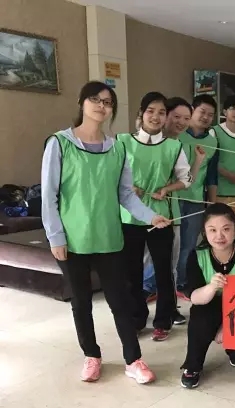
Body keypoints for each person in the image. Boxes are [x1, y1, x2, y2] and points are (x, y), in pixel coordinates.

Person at [41, 81, 171, 384]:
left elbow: (125, 194)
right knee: (81, 302)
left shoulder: (118, 148)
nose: (102, 106)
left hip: (109, 237)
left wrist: (151, 216)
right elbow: (49, 196)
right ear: (81, 102)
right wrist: (55, 237)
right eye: (95, 99)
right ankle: (92, 355)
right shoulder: (59, 143)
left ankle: (133, 360)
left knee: (120, 300)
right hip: (72, 240)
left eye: (108, 102)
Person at [119, 92, 193, 342]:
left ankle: (163, 320)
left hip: (161, 218)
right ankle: (137, 318)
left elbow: (186, 179)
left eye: (162, 112)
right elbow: (111, 175)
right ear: (141, 114)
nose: (156, 116)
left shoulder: (173, 147)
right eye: (151, 111)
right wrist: (127, 188)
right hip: (129, 217)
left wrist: (167, 189)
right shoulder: (122, 142)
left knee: (164, 271)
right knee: (132, 272)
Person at [180, 203, 235, 389]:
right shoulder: (197, 255)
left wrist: (226, 327)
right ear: (204, 232)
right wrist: (211, 287)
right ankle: (192, 366)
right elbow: (195, 297)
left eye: (226, 229)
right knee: (200, 318)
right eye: (212, 230)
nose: (219, 236)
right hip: (209, 304)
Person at [142, 97, 205, 325]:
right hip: (140, 214)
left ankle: (168, 309)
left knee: (170, 264)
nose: (181, 122)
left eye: (186, 118)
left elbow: (186, 180)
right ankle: (138, 310)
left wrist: (198, 160)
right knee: (143, 263)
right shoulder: (141, 142)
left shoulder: (177, 146)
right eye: (176, 116)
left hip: (170, 213)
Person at [176, 95, 219, 294]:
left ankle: (182, 282)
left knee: (189, 244)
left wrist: (212, 204)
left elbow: (211, 175)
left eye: (210, 114)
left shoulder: (212, 142)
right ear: (192, 110)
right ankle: (155, 284)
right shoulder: (177, 135)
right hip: (173, 198)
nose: (206, 117)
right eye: (202, 112)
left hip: (195, 199)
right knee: (169, 245)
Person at [208, 95, 235, 225]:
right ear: (225, 112)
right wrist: (228, 175)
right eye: (233, 108)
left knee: (234, 229)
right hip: (217, 191)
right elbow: (209, 162)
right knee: (218, 228)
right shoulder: (214, 132)